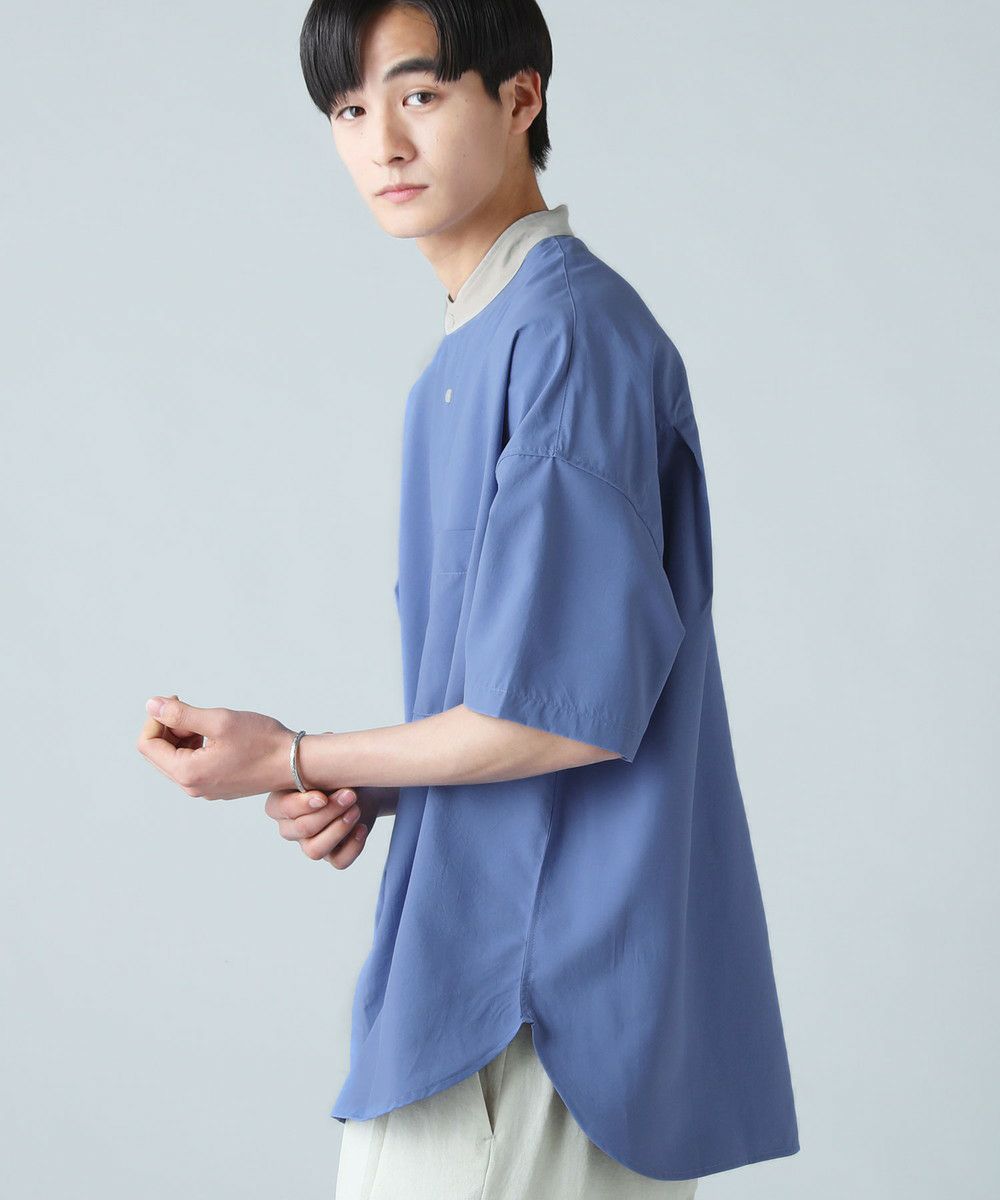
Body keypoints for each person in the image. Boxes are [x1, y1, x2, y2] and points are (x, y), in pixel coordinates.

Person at [138, 1, 800, 1195]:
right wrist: (377, 782)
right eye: (349, 109)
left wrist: (293, 757)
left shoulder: (565, 338)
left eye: (419, 95)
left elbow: (559, 715)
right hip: (490, 973)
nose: (382, 143)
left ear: (519, 97)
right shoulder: (480, 343)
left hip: (540, 1001)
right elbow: (540, 684)